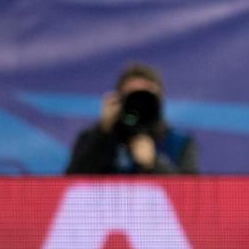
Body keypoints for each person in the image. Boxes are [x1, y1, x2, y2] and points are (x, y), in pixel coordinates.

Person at [65, 62, 198, 174]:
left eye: (146, 96)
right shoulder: (92, 138)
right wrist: (103, 132)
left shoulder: (180, 143)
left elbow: (192, 197)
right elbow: (68, 185)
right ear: (119, 99)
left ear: (159, 99)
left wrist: (154, 164)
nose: (139, 103)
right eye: (132, 95)